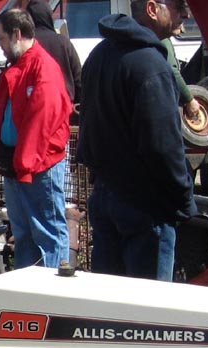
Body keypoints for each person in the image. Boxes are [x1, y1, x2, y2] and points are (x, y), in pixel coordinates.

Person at [77, 0, 195, 281]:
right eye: (179, 5)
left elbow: (89, 127)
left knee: (109, 314)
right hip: (146, 207)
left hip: (106, 197)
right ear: (153, 9)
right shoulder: (151, 66)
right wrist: (183, 198)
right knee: (148, 316)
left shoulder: (100, 54)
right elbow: (163, 146)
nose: (186, 14)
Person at [0, 9, 72, 269]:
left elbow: (43, 119)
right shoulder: (24, 67)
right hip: (21, 165)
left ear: (17, 35)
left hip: (37, 166)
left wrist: (22, 163)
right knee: (25, 236)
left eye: (1, 39)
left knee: (48, 235)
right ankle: (29, 298)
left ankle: (51, 297)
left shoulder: (43, 68)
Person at [19, 0, 81, 105]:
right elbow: (78, 78)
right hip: (65, 106)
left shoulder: (26, 44)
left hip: (34, 106)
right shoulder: (63, 42)